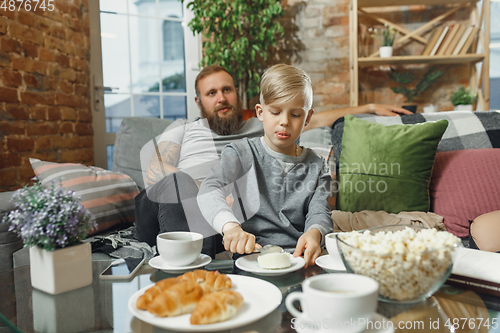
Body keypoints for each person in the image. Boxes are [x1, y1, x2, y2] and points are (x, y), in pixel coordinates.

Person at [134, 65, 411, 258]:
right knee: (179, 184)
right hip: (175, 203)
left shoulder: (258, 127)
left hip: (220, 219)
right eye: (212, 93)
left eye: (227, 90)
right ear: (199, 101)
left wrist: (369, 107)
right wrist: (212, 199)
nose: (221, 98)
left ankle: (202, 262)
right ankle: (193, 275)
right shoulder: (182, 128)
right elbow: (156, 172)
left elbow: (307, 113)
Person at [197, 64, 333, 265]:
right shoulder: (240, 152)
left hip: (298, 258)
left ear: (307, 118)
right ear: (260, 112)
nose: (284, 121)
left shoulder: (318, 165)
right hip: (250, 258)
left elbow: (320, 211)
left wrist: (315, 233)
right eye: (275, 112)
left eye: (295, 114)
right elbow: (209, 189)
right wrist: (231, 227)